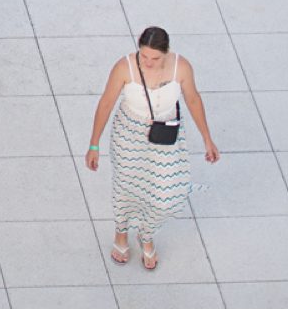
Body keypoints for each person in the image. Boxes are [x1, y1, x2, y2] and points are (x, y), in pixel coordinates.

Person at [83, 28, 222, 273]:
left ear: (166, 53)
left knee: (166, 195)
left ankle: (146, 233)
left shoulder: (182, 67)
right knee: (127, 186)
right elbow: (106, 102)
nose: (147, 63)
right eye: (144, 56)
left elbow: (193, 100)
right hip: (129, 134)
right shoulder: (124, 67)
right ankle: (122, 232)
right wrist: (94, 143)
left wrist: (207, 138)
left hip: (165, 136)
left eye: (155, 58)